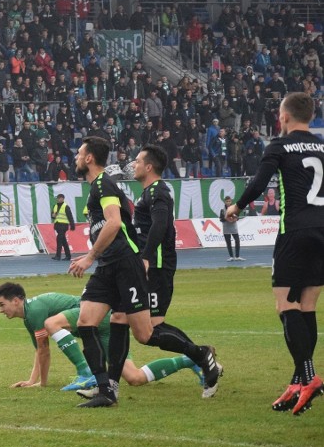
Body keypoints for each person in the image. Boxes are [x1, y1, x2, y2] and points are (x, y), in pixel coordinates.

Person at [68, 137, 221, 407]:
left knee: (146, 332)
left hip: (134, 265)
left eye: (79, 153)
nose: (76, 158)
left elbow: (122, 223)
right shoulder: (119, 189)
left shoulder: (114, 185)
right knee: (92, 321)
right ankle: (106, 388)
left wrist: (141, 258)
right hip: (111, 264)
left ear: (89, 158)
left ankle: (200, 355)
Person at [225, 92, 324, 415]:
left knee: (285, 305)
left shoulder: (279, 146)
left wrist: (236, 207)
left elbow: (259, 183)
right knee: (306, 306)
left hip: (294, 232)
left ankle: (309, 377)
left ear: (283, 116)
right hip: (322, 231)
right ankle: (299, 383)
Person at [129, 145, 223, 399]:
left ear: (149, 167)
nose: (134, 164)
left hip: (157, 266)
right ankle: (202, 356)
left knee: (149, 331)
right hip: (153, 265)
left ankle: (201, 355)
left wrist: (147, 258)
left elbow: (161, 224)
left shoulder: (158, 191)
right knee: (147, 330)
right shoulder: (149, 192)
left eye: (138, 161)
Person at [0, 283, 202, 391]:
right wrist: (35, 382)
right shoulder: (30, 316)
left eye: (2, 304)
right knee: (134, 378)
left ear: (17, 300)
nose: (0, 310)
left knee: (52, 323)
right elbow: (41, 351)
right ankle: (191, 359)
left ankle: (85, 372)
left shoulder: (35, 311)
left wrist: (40, 383)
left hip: (97, 318)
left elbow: (44, 349)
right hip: (105, 327)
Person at [50, 193, 75, 260]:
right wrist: (53, 215)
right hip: (58, 225)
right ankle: (68, 256)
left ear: (62, 199)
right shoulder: (55, 206)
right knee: (63, 241)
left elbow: (70, 216)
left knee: (59, 240)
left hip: (63, 225)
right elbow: (52, 216)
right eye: (57, 198)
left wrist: (72, 225)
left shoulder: (66, 206)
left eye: (59, 198)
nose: (58, 199)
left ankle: (58, 256)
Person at [219, 196, 243, 261]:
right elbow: (221, 219)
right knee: (228, 242)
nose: (228, 202)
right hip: (226, 228)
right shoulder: (222, 210)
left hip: (233, 227)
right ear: (225, 202)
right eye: (227, 201)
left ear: (231, 201)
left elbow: (237, 216)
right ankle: (231, 256)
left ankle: (237, 256)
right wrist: (227, 219)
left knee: (237, 241)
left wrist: (235, 219)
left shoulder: (234, 209)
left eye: (229, 201)